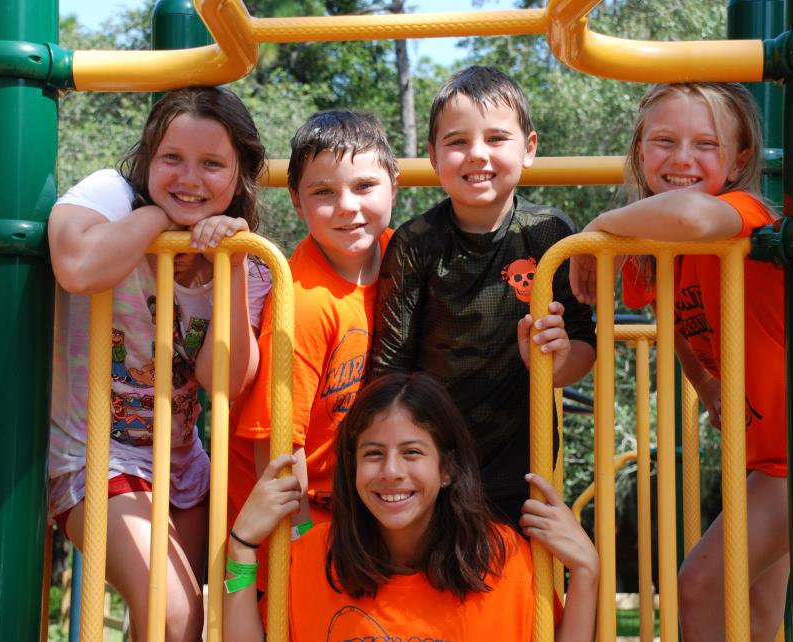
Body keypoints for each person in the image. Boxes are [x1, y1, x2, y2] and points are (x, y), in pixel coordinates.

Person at [47, 86, 270, 640]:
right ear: (148, 158)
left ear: (238, 175)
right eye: (173, 159)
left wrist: (233, 265)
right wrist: (155, 221)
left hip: (182, 464)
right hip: (94, 456)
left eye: (212, 164)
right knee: (174, 615)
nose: (190, 178)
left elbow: (223, 380)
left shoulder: (250, 264)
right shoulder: (111, 197)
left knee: (185, 619)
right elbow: (77, 268)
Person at [569, 82, 788, 642]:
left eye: (706, 144)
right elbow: (680, 328)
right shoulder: (659, 257)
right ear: (640, 150)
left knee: (701, 586)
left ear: (740, 160)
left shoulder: (743, 215)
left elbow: (692, 216)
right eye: (664, 140)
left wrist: (600, 226)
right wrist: (707, 383)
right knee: (757, 610)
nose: (682, 158)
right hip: (768, 456)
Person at [370, 65, 597, 527]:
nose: (477, 155)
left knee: (521, 592)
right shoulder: (416, 243)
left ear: (529, 148)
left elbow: (582, 348)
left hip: (526, 466)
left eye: (496, 138)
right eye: (457, 142)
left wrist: (553, 360)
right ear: (433, 157)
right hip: (434, 467)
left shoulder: (551, 234)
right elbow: (390, 369)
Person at [223, 372, 599, 641]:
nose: (390, 472)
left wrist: (586, 571)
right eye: (373, 454)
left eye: (412, 452)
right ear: (352, 467)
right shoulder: (312, 558)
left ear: (448, 468)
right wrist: (241, 545)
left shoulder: (504, 559)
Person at [228, 110, 397, 587]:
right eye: (324, 192)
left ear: (394, 186)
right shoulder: (302, 299)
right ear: (297, 202)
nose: (347, 206)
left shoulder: (404, 258)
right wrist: (299, 547)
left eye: (364, 186)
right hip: (293, 521)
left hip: (365, 507)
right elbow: (278, 449)